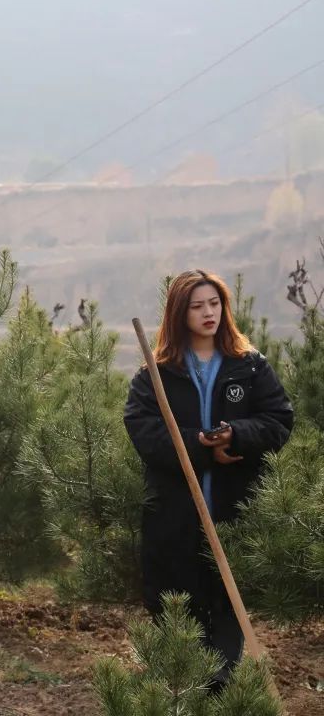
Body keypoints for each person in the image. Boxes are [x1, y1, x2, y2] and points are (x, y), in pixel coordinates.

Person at [124, 269, 293, 689]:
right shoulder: (156, 374)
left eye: (214, 304)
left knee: (227, 607)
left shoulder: (249, 367)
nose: (208, 313)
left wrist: (237, 435)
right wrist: (199, 445)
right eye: (198, 306)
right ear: (180, 313)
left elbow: (278, 420)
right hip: (174, 517)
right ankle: (185, 691)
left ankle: (221, 690)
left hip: (234, 511)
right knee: (177, 608)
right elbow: (144, 431)